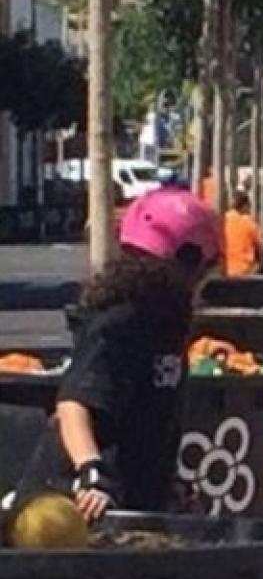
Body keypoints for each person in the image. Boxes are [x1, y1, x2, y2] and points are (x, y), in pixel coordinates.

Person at [3, 189, 220, 521]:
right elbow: (73, 404)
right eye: (207, 266)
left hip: (133, 500)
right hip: (71, 507)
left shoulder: (167, 323)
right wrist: (91, 471)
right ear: (186, 261)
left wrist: (165, 483)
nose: (207, 278)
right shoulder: (121, 320)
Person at [222, 190, 263, 277]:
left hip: (224, 271)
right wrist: (259, 267)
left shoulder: (222, 220)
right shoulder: (249, 223)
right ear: (245, 206)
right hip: (245, 272)